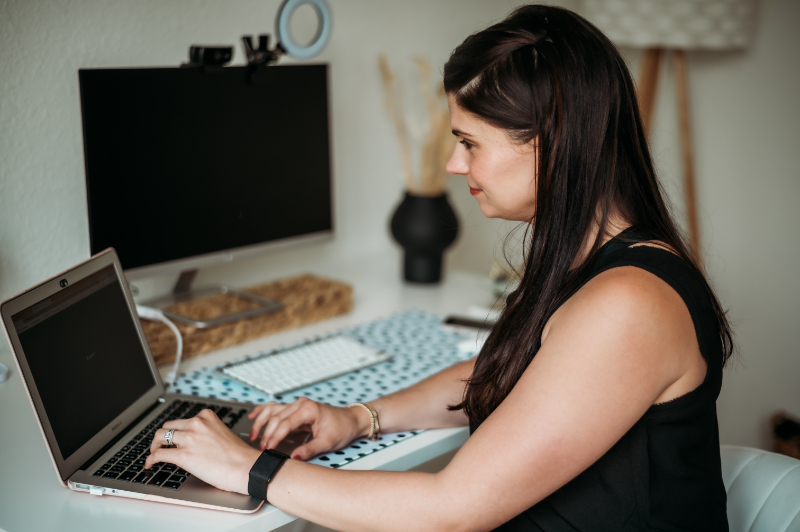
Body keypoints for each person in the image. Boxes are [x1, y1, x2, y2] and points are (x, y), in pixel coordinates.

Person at [145, 5, 733, 531]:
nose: (454, 164)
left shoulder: (629, 305)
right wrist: (357, 418)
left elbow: (452, 510)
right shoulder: (591, 266)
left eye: (469, 142)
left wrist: (250, 467)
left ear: (551, 143)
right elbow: (509, 375)